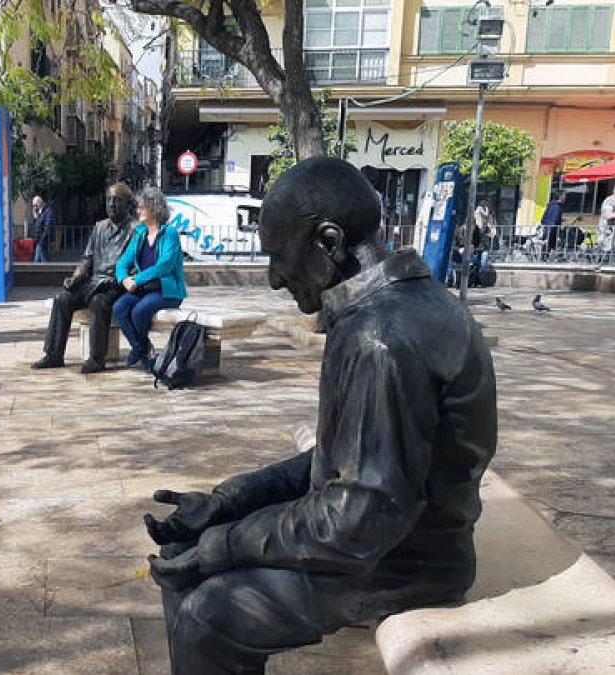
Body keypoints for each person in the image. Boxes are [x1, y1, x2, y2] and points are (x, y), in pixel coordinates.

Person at [143, 157, 497, 674]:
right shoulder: (404, 304)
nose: (271, 278)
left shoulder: (379, 339)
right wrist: (230, 501)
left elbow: (360, 515)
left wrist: (225, 544)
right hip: (408, 538)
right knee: (189, 551)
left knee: (207, 613)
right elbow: (343, 454)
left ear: (328, 244)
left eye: (279, 255)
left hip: (406, 561)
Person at [31, 183, 136, 374]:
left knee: (99, 302)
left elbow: (136, 266)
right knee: (62, 298)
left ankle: (96, 359)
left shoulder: (135, 230)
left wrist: (119, 278)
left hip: (116, 285)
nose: (111, 204)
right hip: (94, 281)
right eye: (109, 200)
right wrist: (75, 277)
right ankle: (53, 354)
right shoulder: (99, 227)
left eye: (117, 200)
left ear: (127, 203)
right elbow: (86, 259)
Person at [113, 187, 186, 369]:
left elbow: (165, 265)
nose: (139, 211)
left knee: (140, 311)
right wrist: (124, 279)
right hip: (146, 288)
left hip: (166, 290)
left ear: (154, 209)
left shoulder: (169, 233)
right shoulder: (140, 234)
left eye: (142, 208)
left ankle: (144, 354)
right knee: (119, 307)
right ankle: (141, 348)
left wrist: (136, 279)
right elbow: (122, 263)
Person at [31, 195, 56, 262]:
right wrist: (35, 217)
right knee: (37, 261)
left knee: (44, 262)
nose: (34, 207)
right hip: (39, 242)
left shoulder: (48, 212)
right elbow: (36, 226)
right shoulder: (40, 212)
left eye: (35, 205)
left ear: (40, 203)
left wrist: (42, 240)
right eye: (33, 206)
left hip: (44, 242)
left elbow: (47, 227)